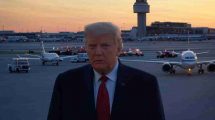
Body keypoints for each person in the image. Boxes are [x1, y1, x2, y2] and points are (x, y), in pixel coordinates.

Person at [47, 22, 165, 120]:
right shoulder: (66, 82)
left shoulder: (145, 84)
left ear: (119, 49)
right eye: (92, 46)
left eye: (105, 46)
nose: (98, 52)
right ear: (86, 48)